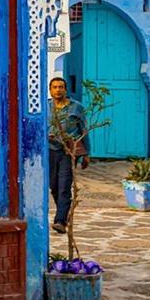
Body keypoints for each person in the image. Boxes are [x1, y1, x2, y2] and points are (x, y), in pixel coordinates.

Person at [48, 76, 90, 235]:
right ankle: (64, 214)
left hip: (68, 152)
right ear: (50, 90)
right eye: (55, 87)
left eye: (61, 87)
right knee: (54, 186)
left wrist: (87, 154)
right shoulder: (46, 107)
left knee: (64, 185)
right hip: (50, 150)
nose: (58, 90)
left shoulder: (76, 108)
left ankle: (60, 221)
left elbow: (84, 130)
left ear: (65, 90)